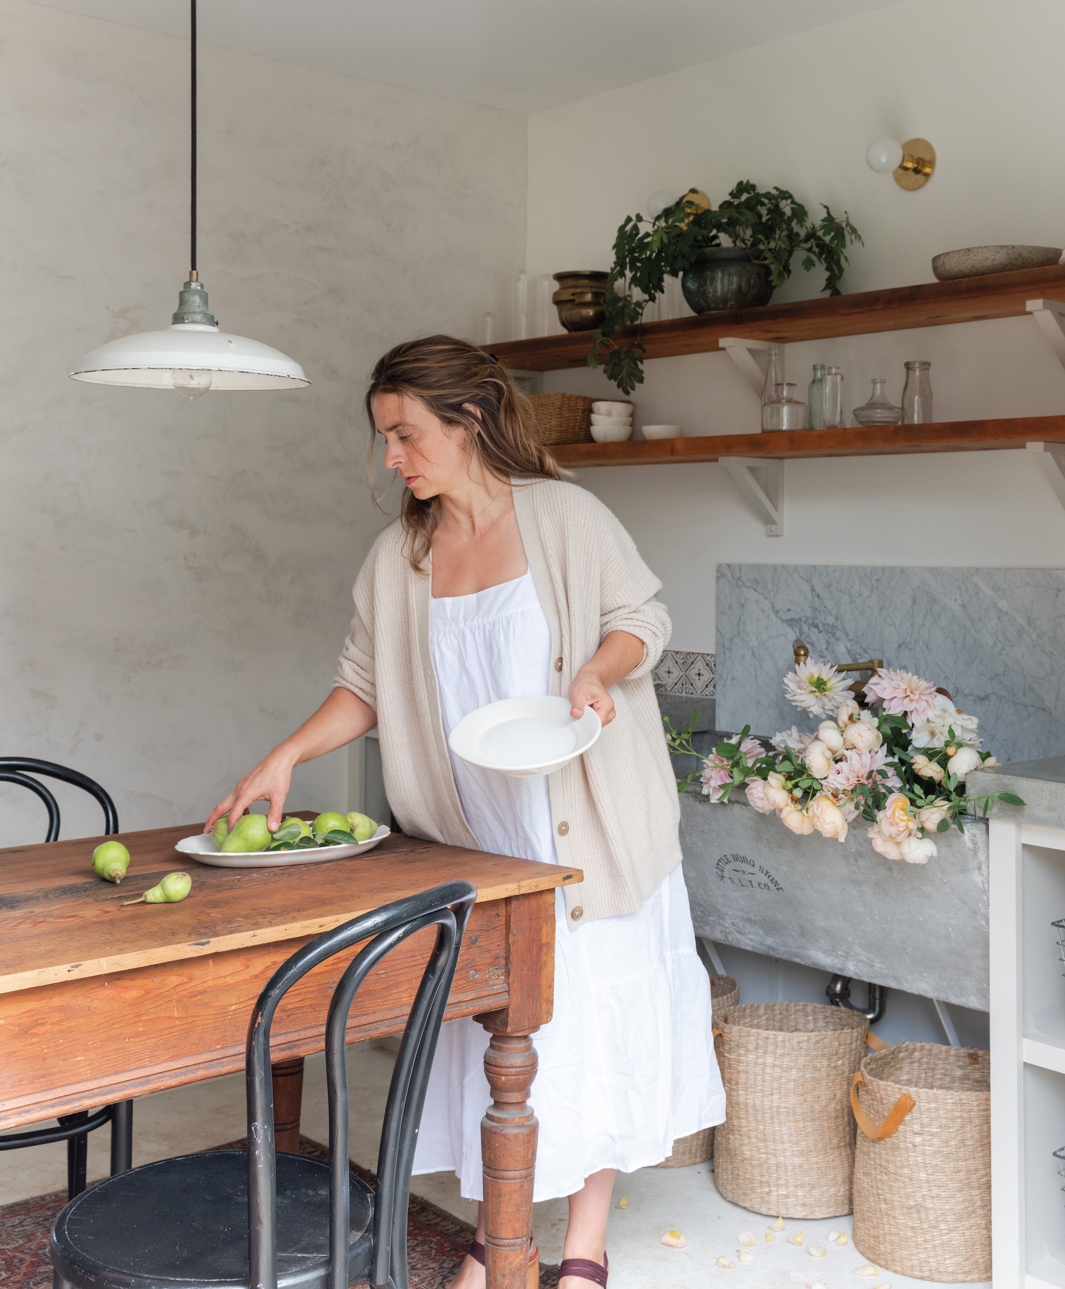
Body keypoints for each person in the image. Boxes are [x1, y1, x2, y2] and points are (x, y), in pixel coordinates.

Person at [207, 335, 724, 1289]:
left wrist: (598, 673)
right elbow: (363, 684)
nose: (392, 459)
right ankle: (499, 1233)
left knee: (594, 1024)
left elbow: (642, 616)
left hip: (588, 827)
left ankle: (582, 1247)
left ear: (470, 419)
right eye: (384, 440)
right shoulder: (397, 554)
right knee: (499, 1037)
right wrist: (286, 754)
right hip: (475, 838)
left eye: (405, 435)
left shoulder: (566, 517)